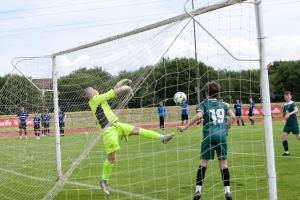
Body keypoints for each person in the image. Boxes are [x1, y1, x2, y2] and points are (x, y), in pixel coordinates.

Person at [84, 79, 175, 196]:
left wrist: (123, 81)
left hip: (117, 126)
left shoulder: (99, 99)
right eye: (93, 89)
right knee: (111, 158)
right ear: (91, 94)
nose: (96, 89)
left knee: (137, 130)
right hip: (109, 131)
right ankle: (104, 181)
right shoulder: (95, 100)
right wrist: (127, 88)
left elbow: (114, 88)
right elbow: (113, 92)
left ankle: (162, 137)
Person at [178, 81, 235, 200]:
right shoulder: (223, 104)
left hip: (209, 136)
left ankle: (198, 192)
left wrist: (185, 126)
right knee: (224, 164)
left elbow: (199, 116)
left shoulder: (203, 104)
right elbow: (233, 116)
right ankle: (227, 193)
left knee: (203, 164)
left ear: (206, 92)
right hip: (221, 136)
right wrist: (227, 127)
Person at [281, 91, 300, 156]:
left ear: (291, 96)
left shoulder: (292, 103)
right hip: (287, 124)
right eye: (285, 96)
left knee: (298, 138)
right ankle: (287, 152)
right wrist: (282, 109)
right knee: (283, 137)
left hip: (294, 123)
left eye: (288, 95)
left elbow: (296, 110)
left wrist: (289, 113)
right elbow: (283, 115)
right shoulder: (285, 105)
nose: (287, 97)